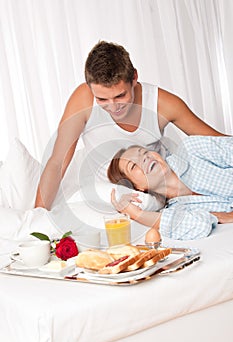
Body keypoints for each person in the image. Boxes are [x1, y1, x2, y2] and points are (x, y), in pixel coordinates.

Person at [35, 41, 224, 210]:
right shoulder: (83, 100)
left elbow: (220, 145)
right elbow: (57, 162)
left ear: (134, 78)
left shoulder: (163, 104)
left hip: (153, 195)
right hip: (104, 196)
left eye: (120, 96)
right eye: (102, 98)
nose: (113, 106)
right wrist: (37, 216)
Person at [108, 136, 233, 241]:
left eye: (144, 152)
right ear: (137, 188)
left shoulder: (192, 149)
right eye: (133, 166)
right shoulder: (177, 211)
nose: (144, 158)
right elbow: (200, 226)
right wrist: (136, 214)